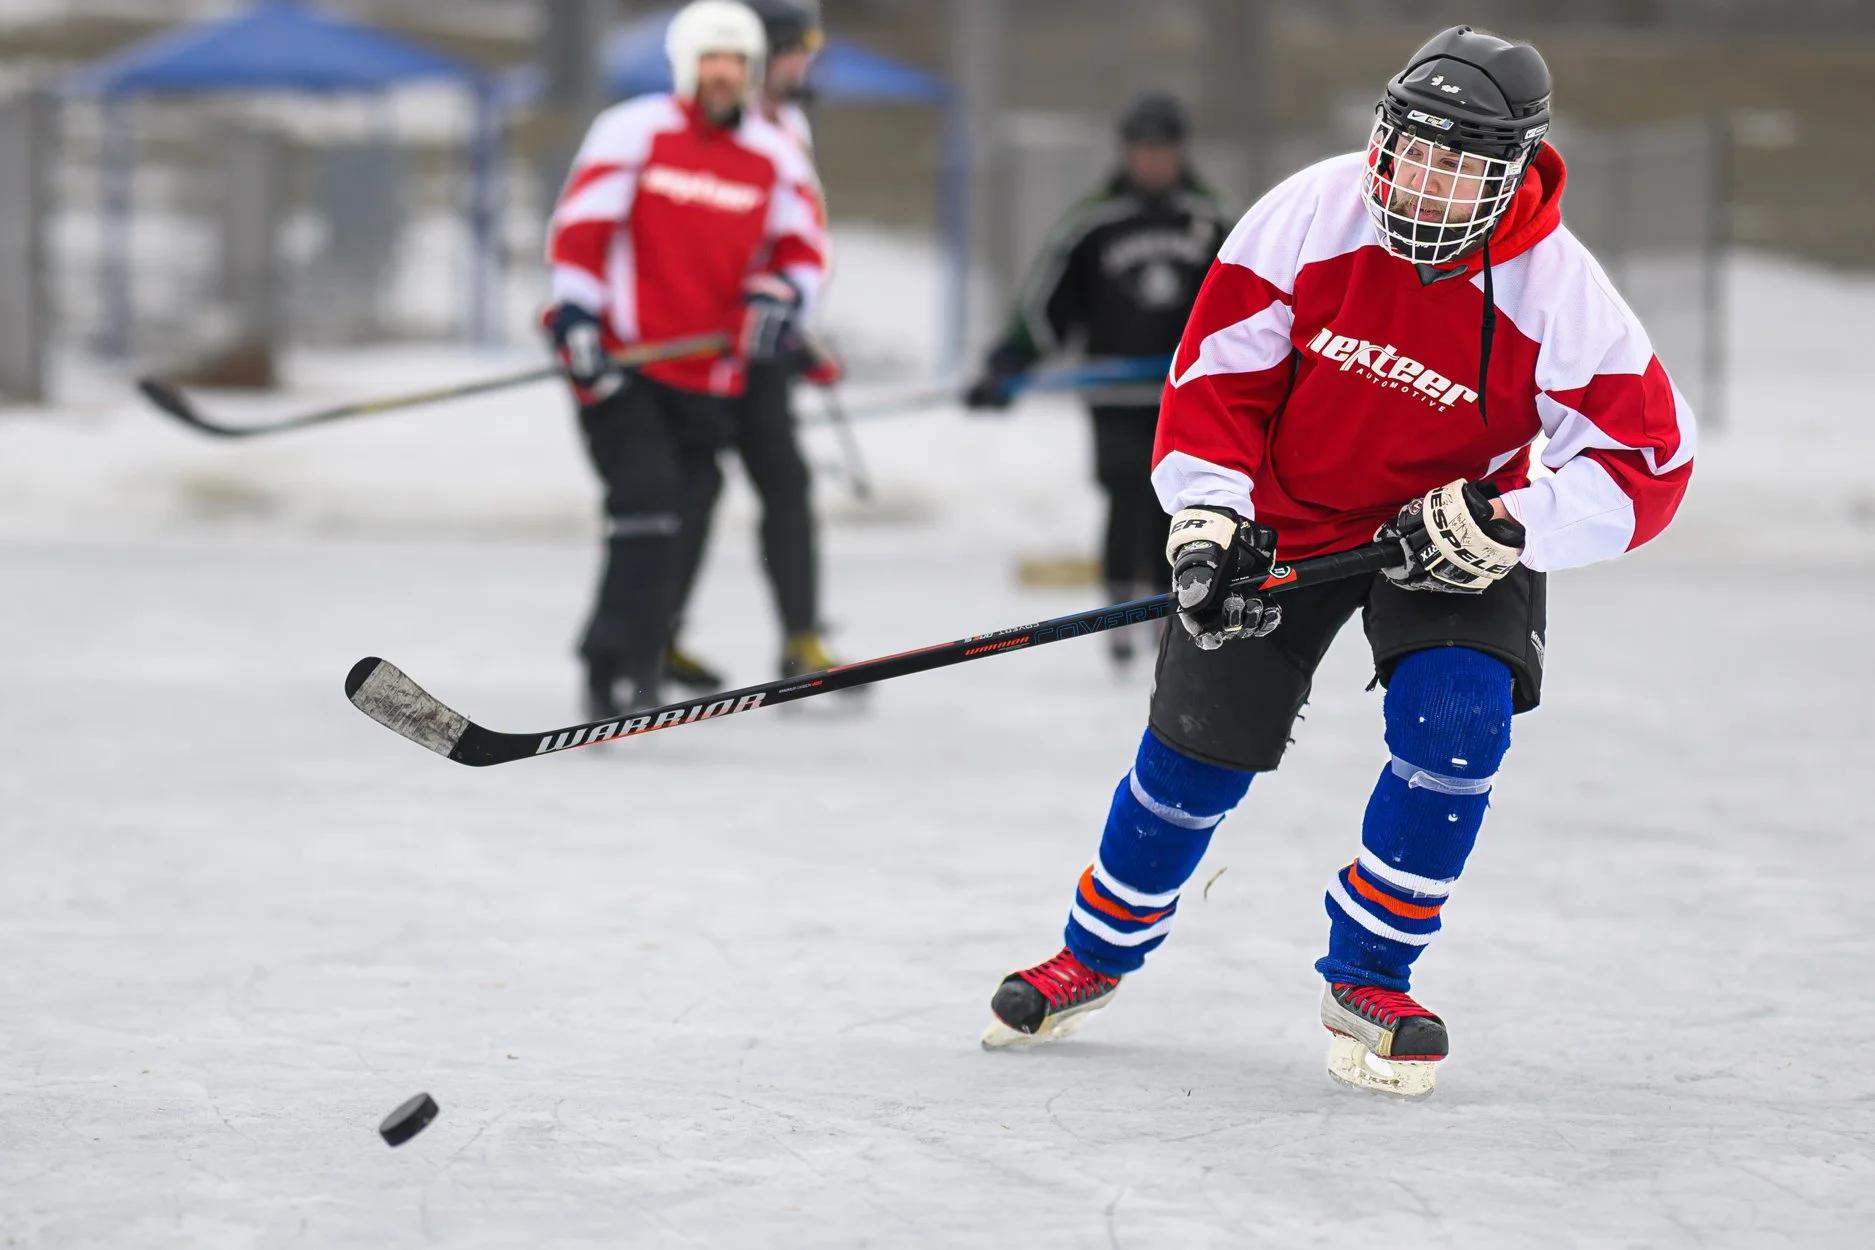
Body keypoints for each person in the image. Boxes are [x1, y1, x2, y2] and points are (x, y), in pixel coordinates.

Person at [980, 27, 1695, 1098]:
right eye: (1412, 149)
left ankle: (1371, 975)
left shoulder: (1557, 287)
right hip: (1286, 517)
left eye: (1457, 164)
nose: (1423, 180)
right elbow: (1218, 378)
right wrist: (1208, 518)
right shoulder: (1309, 213)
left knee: (1458, 726)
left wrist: (1513, 523)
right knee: (1193, 754)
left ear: (1511, 174)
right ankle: (1096, 949)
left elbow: (1649, 461)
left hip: (1450, 533)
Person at [543, 0, 828, 717]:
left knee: (688, 510)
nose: (722, 76)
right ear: (686, 67)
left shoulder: (774, 153)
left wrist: (779, 301)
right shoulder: (634, 130)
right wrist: (576, 314)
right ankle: (608, 658)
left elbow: (802, 249)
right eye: (710, 62)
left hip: (712, 376)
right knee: (647, 499)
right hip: (627, 366)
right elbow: (580, 232)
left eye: (735, 63)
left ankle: (644, 660)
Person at [964, 92, 1232, 664]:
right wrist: (1010, 360)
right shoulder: (1094, 223)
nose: (1152, 160)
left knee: (1175, 500)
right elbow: (1050, 306)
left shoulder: (1212, 222)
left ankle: (1168, 610)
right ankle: (1118, 612)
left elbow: (1246, 307)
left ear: (1179, 151)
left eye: (1162, 149)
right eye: (1142, 149)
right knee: (1124, 490)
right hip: (1115, 391)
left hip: (1184, 393)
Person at [665, 0, 850, 690]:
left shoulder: (788, 124)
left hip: (763, 342)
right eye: (796, 51)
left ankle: (801, 637)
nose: (804, 66)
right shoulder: (720, 125)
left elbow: (798, 236)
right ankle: (658, 634)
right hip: (705, 345)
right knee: (691, 488)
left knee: (785, 484)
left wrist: (796, 323)